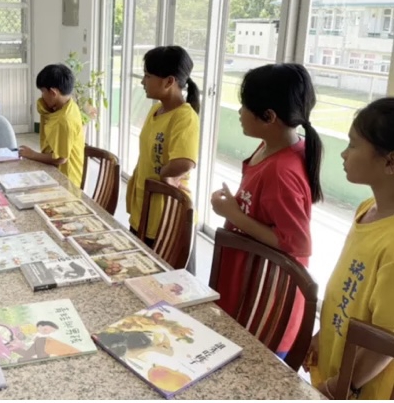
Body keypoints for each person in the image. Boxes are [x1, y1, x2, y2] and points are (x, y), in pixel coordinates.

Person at [210, 63, 323, 360]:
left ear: (269, 117)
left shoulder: (283, 171)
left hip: (267, 295)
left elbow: (296, 243)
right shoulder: (271, 146)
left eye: (245, 106)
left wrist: (233, 215)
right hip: (247, 277)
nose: (239, 112)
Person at [303, 98, 394, 399]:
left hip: (358, 388)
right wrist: (323, 336)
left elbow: (386, 341)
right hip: (339, 368)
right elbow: (347, 291)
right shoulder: (368, 208)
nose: (343, 154)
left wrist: (345, 385)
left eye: (353, 145)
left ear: (390, 161)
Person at [126, 45, 200, 247]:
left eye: (148, 76)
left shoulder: (185, 117)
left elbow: (184, 161)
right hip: (144, 205)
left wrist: (166, 175)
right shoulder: (157, 110)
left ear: (169, 81)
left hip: (164, 215)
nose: (143, 82)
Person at [19, 63, 84, 187]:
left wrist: (32, 154)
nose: (42, 96)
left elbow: (60, 159)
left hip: (65, 180)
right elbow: (43, 109)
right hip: (55, 172)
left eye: (43, 91)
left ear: (53, 92)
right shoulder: (67, 105)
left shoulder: (65, 119)